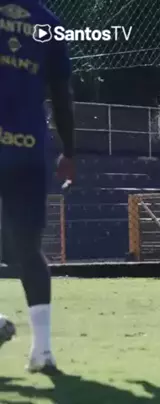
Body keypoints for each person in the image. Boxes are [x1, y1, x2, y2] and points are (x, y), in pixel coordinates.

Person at [0, 0, 76, 373]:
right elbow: (61, 94)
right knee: (27, 249)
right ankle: (42, 350)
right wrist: (69, 150)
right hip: (27, 150)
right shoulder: (49, 23)